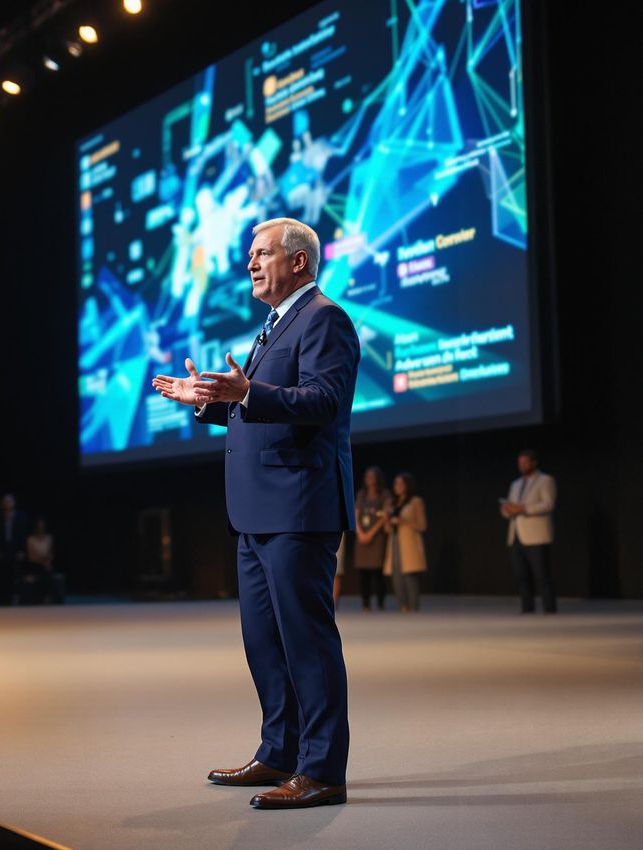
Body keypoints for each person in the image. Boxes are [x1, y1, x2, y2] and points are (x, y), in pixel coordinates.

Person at [152, 217, 358, 809]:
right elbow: (264, 406)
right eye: (249, 254)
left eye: (261, 253)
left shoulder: (324, 319)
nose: (249, 263)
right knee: (264, 642)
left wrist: (244, 394)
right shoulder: (274, 325)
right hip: (255, 513)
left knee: (307, 643)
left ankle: (322, 771)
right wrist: (212, 402)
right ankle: (279, 753)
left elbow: (320, 402)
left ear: (298, 262)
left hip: (299, 509)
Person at [500, 449, 557, 613]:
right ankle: (527, 608)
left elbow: (548, 504)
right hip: (516, 534)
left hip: (537, 535)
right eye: (520, 463)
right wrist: (506, 510)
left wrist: (523, 508)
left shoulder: (546, 480)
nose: (522, 466)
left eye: (525, 463)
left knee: (542, 574)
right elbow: (510, 506)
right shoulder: (515, 484)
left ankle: (549, 608)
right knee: (521, 574)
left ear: (534, 463)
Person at [383, 473, 427, 612]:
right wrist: (387, 520)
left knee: (409, 576)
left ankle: (413, 608)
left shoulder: (415, 501)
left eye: (401, 484)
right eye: (396, 484)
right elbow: (387, 529)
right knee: (396, 577)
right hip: (395, 541)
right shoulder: (392, 503)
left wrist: (402, 521)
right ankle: (403, 607)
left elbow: (422, 525)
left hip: (409, 542)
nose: (398, 487)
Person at [354, 466, 391, 611]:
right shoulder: (361, 495)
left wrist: (371, 533)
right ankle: (365, 603)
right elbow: (355, 515)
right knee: (363, 573)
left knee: (378, 572)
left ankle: (380, 603)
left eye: (372, 476)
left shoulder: (384, 495)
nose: (369, 479)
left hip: (376, 537)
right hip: (361, 537)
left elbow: (385, 517)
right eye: (367, 476)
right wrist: (360, 533)